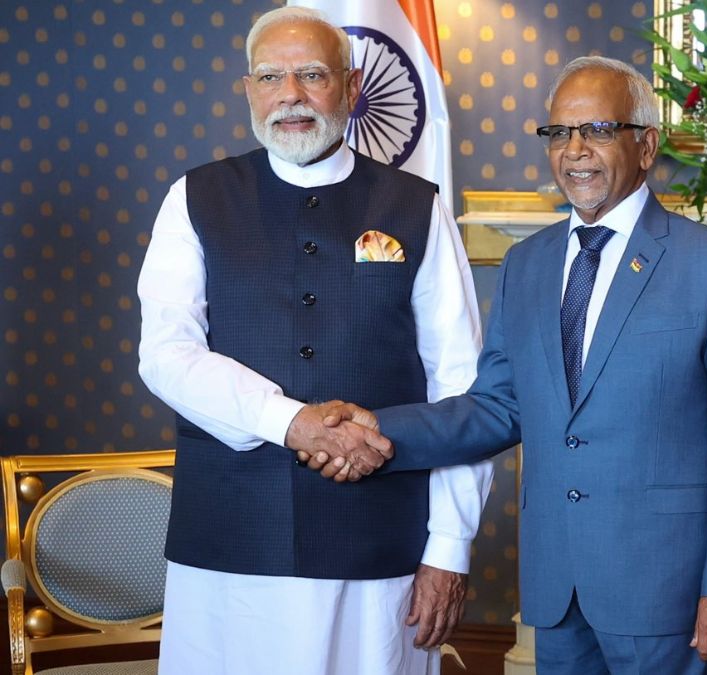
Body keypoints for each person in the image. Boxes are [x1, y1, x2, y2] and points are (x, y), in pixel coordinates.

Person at [304, 55, 707, 675]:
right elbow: (498, 406)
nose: (574, 150)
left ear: (646, 145)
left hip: (672, 591)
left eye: (598, 130)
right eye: (558, 133)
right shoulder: (527, 264)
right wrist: (376, 429)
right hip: (556, 589)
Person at [136, 7, 492, 674]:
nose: (290, 94)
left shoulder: (418, 206)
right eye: (270, 76)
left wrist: (449, 546)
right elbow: (166, 353)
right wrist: (290, 421)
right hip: (229, 541)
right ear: (247, 91)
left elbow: (461, 387)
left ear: (351, 88)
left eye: (312, 74)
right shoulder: (194, 198)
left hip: (379, 544)